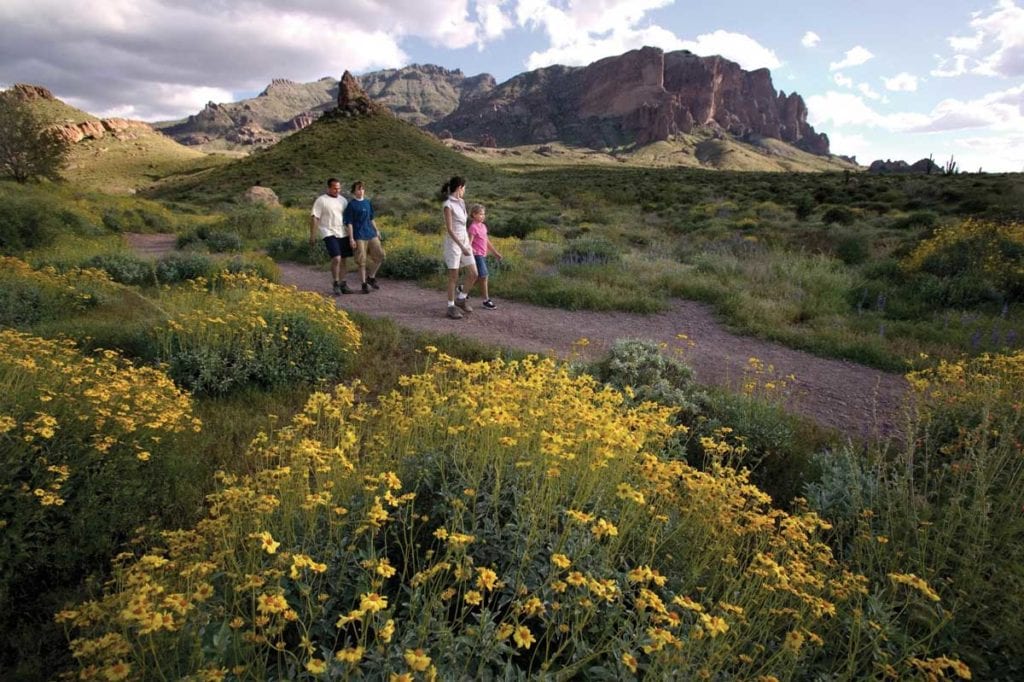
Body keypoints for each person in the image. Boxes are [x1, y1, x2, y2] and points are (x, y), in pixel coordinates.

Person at [440, 175, 477, 319]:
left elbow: (462, 225)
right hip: (454, 244)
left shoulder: (461, 202)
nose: (465, 191)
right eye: (464, 188)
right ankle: (450, 306)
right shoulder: (447, 204)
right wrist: (462, 246)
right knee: (453, 276)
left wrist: (468, 243)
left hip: (464, 241)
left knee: (474, 273)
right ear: (460, 187)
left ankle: (461, 299)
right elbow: (450, 229)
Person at [310, 177, 352, 295]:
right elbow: (315, 217)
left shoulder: (343, 200)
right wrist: (312, 235)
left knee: (343, 259)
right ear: (328, 188)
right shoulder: (321, 200)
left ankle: (343, 283)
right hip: (328, 232)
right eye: (334, 188)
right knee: (336, 258)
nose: (337, 191)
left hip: (342, 232)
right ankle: (336, 283)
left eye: (338, 188)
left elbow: (348, 218)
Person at [343, 180, 385, 294]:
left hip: (370, 233)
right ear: (354, 191)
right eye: (358, 189)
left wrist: (377, 231)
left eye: (362, 189)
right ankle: (363, 284)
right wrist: (351, 238)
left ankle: (371, 277)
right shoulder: (351, 205)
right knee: (362, 261)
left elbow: (371, 218)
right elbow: (349, 223)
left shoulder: (367, 202)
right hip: (359, 235)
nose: (361, 191)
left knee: (380, 256)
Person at [465, 204, 503, 309]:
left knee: (478, 276)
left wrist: (495, 253)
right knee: (484, 276)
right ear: (474, 214)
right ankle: (486, 300)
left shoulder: (483, 226)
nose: (483, 216)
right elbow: (469, 242)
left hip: (483, 255)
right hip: (477, 255)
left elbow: (486, 241)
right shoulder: (473, 227)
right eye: (480, 214)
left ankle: (464, 289)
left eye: (484, 214)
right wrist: (472, 249)